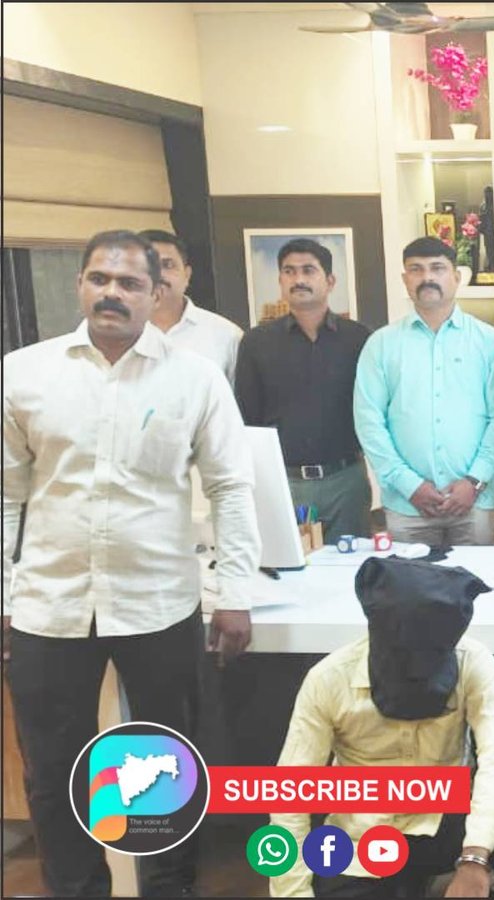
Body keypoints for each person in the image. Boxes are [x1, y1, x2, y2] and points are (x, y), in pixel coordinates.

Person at [1, 230, 261, 898]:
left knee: (163, 765)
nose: (111, 293)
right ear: (80, 285)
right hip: (49, 605)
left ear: (157, 292)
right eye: (99, 278)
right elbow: (6, 495)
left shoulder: (194, 377)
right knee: (53, 769)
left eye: (129, 282)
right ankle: (75, 889)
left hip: (158, 600)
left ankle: (168, 886)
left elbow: (231, 488)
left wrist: (235, 592)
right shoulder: (23, 373)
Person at [270, 557, 494, 898]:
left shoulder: (471, 661)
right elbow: (290, 794)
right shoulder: (329, 679)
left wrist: (475, 857)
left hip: (447, 826)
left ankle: (439, 880)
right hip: (360, 837)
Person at [355, 237, 494, 546]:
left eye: (437, 268)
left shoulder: (490, 342)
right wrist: (409, 485)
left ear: (457, 277)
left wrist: (474, 481)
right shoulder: (381, 345)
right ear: (405, 279)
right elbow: (368, 421)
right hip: (406, 505)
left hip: (474, 502)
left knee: (476, 577)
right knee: (409, 579)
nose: (427, 277)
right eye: (416, 269)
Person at [236, 237, 374, 541]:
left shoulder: (359, 339)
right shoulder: (256, 343)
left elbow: (373, 409)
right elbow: (248, 419)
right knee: (288, 566)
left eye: (309, 270)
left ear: (330, 281)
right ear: (280, 281)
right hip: (285, 482)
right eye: (289, 271)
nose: (298, 279)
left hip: (345, 480)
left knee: (353, 566)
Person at [140, 229, 244, 383]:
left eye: (167, 265)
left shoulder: (227, 336)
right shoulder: (110, 336)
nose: (158, 274)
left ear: (187, 276)